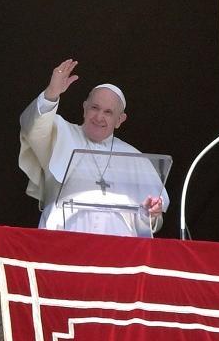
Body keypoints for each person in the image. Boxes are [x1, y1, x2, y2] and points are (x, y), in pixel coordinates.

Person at [18, 59, 169, 236]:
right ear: (84, 108)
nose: (99, 117)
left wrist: (150, 214)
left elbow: (150, 223)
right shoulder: (60, 133)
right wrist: (52, 92)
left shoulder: (134, 157)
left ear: (120, 120)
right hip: (65, 237)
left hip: (118, 247)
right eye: (94, 108)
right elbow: (32, 127)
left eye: (108, 112)